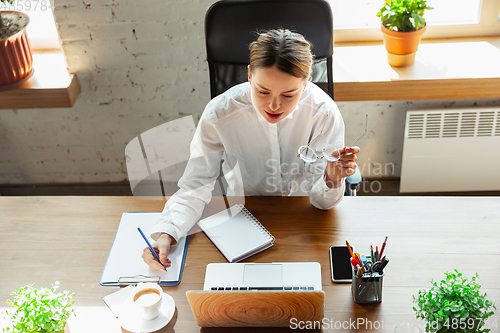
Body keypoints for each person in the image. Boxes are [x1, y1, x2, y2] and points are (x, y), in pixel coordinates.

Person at [143, 29, 360, 271]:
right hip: (244, 221)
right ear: (249, 75)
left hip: (303, 223)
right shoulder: (220, 112)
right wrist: (168, 231)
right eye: (263, 91)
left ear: (306, 82)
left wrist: (331, 178)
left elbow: (321, 202)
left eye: (289, 94)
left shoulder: (324, 114)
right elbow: (196, 183)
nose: (274, 105)